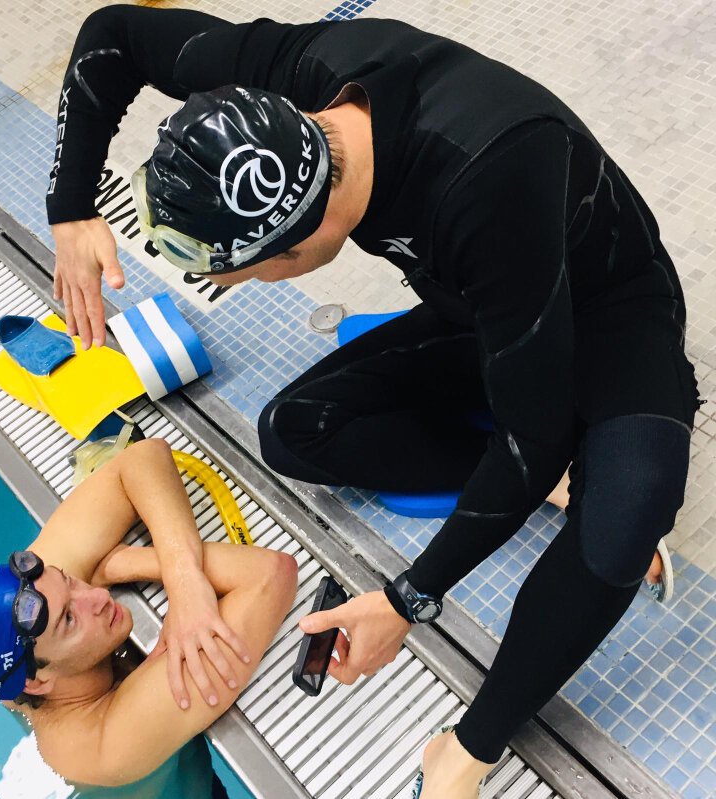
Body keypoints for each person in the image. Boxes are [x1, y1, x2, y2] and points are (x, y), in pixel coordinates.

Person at [46, 7, 703, 798]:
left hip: (610, 310)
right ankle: (559, 474)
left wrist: (406, 599)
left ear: (301, 241)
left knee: (626, 514)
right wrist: (70, 206)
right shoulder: (295, 76)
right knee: (293, 431)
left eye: (245, 273)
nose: (234, 287)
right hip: (486, 307)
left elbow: (528, 438)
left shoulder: (485, 179)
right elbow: (114, 34)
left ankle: (467, 749)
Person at [0, 438, 298, 793]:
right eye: (70, 619)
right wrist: (126, 562)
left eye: (69, 579)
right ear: (38, 684)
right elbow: (271, 574)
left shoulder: (40, 609)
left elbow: (142, 458)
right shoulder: (107, 744)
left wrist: (183, 582)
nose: (96, 596)